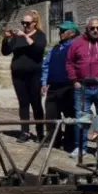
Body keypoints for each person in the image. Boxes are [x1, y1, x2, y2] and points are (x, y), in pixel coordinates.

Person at [66, 16, 98, 159]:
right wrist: (74, 80)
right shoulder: (77, 44)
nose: (95, 31)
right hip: (83, 87)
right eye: (92, 28)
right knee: (82, 118)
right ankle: (80, 147)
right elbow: (70, 62)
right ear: (87, 28)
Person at [2, 11, 47, 143]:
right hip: (18, 75)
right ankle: (24, 131)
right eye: (23, 23)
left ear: (34, 23)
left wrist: (26, 37)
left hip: (34, 75)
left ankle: (40, 133)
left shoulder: (40, 35)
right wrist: (6, 39)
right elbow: (5, 52)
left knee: (36, 103)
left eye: (27, 23)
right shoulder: (18, 37)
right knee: (23, 103)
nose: (25, 26)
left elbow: (38, 50)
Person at [41, 20, 79, 151]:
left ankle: (69, 142)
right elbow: (46, 65)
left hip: (69, 86)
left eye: (64, 31)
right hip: (53, 87)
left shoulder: (76, 47)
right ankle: (53, 140)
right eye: (60, 30)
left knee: (70, 116)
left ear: (72, 33)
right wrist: (44, 82)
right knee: (51, 114)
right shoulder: (55, 48)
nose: (60, 33)